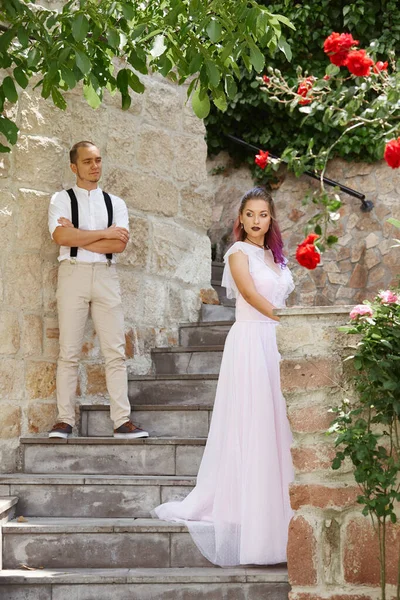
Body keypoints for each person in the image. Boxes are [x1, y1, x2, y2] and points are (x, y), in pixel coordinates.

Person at [153, 187, 294, 566]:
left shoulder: (274, 256)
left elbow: (278, 296)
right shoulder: (237, 254)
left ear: (270, 219)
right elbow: (249, 294)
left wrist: (287, 329)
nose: (255, 221)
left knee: (276, 424)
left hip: (275, 343)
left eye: (262, 214)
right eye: (249, 214)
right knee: (252, 423)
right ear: (241, 218)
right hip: (250, 341)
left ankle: (277, 513)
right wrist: (290, 322)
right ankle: (247, 517)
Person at [47, 140, 149, 440]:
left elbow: (119, 244)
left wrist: (78, 236)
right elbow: (60, 236)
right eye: (89, 161)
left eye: (98, 160)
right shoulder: (61, 200)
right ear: (74, 166)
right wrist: (102, 233)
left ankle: (122, 421)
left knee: (115, 352)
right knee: (68, 352)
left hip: (106, 274)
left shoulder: (115, 203)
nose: (95, 166)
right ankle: (64, 420)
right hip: (73, 275)